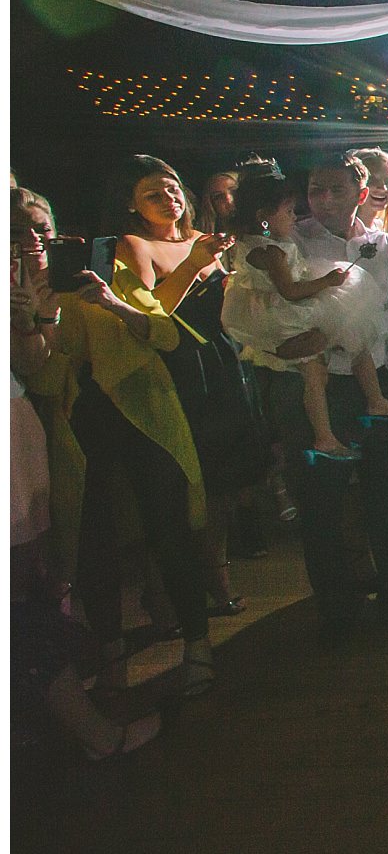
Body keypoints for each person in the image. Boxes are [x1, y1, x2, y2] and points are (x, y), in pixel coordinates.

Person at [14, 188, 217, 697]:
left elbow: (163, 333)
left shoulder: (102, 265)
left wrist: (108, 299)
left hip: (147, 415)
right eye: (19, 230)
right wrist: (40, 316)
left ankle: (198, 646)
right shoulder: (12, 290)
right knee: (93, 548)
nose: (35, 240)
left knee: (169, 530)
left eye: (42, 227)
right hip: (80, 426)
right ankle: (112, 665)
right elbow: (37, 379)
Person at [266, 153, 388, 638]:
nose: (323, 201)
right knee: (321, 502)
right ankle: (337, 610)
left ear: (360, 193)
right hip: (317, 386)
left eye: (335, 191)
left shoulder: (383, 244)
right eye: (315, 191)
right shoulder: (292, 243)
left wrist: (363, 333)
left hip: (377, 381)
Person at [112, 154, 258, 616]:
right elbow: (153, 315)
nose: (168, 198)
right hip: (175, 367)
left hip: (220, 361)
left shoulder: (203, 238)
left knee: (223, 480)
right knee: (180, 483)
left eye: (172, 188)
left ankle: (218, 575)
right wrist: (194, 264)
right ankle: (167, 591)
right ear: (133, 206)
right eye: (153, 194)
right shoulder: (134, 245)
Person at [222, 168, 388, 462]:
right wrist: (327, 282)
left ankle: (353, 416)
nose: (295, 217)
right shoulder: (272, 250)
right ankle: (344, 423)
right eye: (289, 211)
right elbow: (290, 291)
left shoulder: (258, 240)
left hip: (282, 310)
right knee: (337, 346)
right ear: (264, 216)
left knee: (323, 366)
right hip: (288, 314)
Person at [350, 147, 388, 235]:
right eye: (372, 180)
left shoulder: (387, 233)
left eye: (387, 181)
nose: (383, 188)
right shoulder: (336, 234)